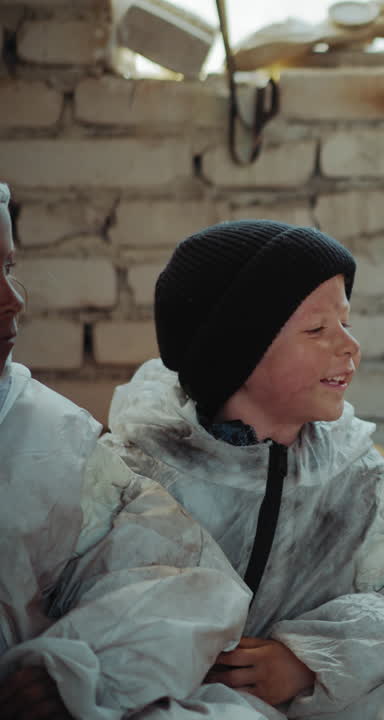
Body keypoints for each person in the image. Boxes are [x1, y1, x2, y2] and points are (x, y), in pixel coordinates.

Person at [100, 219, 384, 719]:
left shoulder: (352, 471)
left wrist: (313, 658)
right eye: (318, 329)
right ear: (237, 353)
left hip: (332, 694)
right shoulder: (139, 473)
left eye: (346, 323)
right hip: (188, 699)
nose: (348, 345)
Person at [0, 183, 268, 719]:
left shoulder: (49, 437)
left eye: (8, 268)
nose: (14, 299)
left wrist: (69, 674)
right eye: (315, 327)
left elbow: (184, 583)